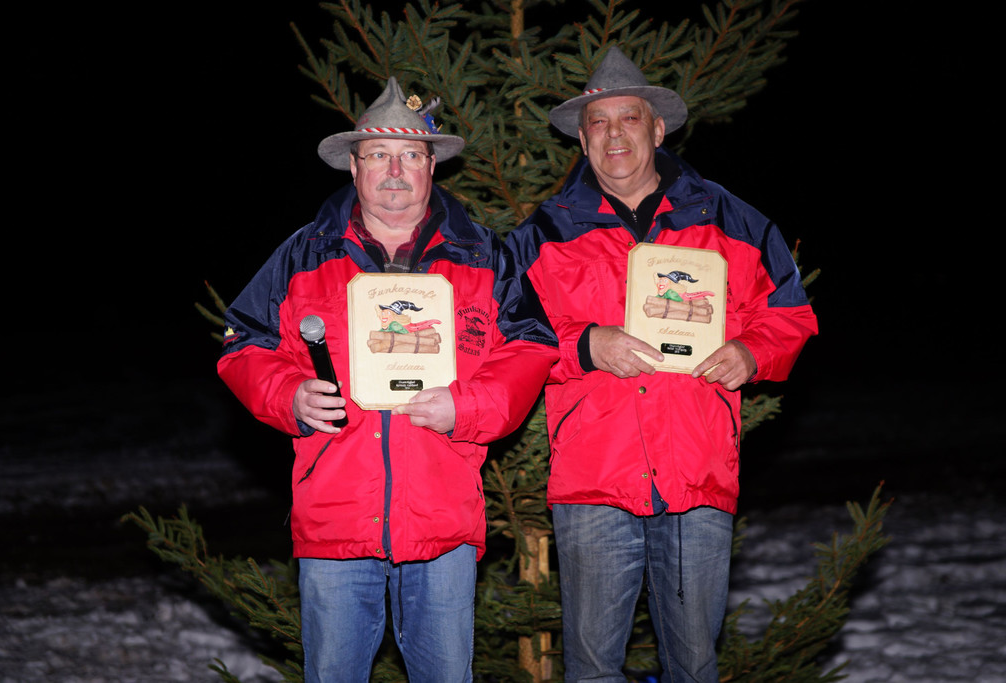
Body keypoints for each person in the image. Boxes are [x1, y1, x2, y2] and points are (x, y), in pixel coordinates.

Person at [217, 76, 557, 683]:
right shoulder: (302, 255)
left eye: (410, 155)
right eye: (378, 154)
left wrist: (470, 407)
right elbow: (243, 343)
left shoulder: (485, 257)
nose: (394, 170)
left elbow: (531, 345)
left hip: (443, 518)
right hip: (335, 517)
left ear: (432, 167)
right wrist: (287, 394)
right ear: (354, 167)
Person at [505, 47, 819, 682]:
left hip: (695, 474)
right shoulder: (543, 234)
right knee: (592, 668)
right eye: (598, 123)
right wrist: (586, 346)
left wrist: (752, 352)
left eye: (629, 118)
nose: (613, 134)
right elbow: (509, 336)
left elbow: (789, 313)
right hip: (594, 479)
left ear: (657, 129)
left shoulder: (730, 219)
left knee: (694, 665)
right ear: (582, 139)